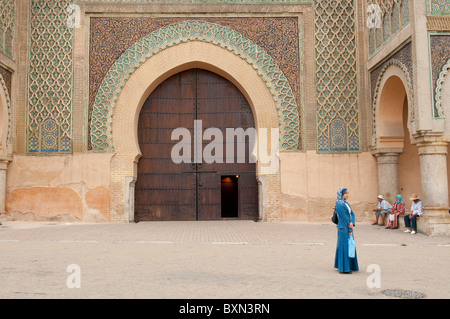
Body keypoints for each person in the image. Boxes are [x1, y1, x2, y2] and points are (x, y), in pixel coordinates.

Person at [334, 187, 359, 274]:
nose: (347, 195)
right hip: (343, 228)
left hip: (349, 226)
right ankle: (344, 268)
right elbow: (344, 217)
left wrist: (352, 222)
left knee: (350, 246)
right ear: (341, 194)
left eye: (348, 193)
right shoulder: (339, 204)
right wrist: (349, 227)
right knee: (344, 247)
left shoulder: (345, 203)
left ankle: (351, 265)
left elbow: (352, 213)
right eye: (345, 194)